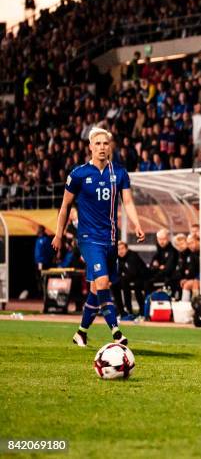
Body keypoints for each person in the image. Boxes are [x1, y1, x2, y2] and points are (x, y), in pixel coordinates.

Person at [52, 127, 145, 347]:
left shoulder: (119, 173)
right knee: (103, 282)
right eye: (98, 144)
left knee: (97, 289)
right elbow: (65, 206)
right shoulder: (79, 174)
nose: (102, 147)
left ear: (110, 147)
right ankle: (116, 332)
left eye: (106, 144)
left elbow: (128, 202)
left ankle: (81, 333)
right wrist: (58, 234)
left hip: (110, 239)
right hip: (88, 238)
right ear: (90, 147)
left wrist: (137, 224)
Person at [115, 240, 147, 319]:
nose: (120, 251)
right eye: (118, 249)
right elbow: (118, 272)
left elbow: (133, 273)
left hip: (142, 278)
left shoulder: (133, 256)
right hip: (129, 279)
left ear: (126, 249)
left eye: (122, 248)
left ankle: (142, 312)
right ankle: (122, 311)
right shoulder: (118, 258)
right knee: (114, 285)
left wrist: (121, 277)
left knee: (134, 285)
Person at [147, 228, 178, 294]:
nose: (161, 241)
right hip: (158, 276)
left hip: (169, 278)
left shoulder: (173, 252)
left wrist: (157, 267)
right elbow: (151, 266)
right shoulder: (158, 251)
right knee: (145, 280)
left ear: (168, 238)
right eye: (159, 239)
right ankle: (148, 302)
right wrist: (158, 267)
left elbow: (168, 269)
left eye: (163, 239)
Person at [34, 225, 54, 297]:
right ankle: (41, 293)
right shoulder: (38, 240)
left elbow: (49, 251)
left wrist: (46, 260)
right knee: (39, 278)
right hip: (38, 262)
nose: (37, 230)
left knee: (44, 278)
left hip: (43, 262)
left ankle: (45, 294)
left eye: (39, 229)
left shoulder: (45, 239)